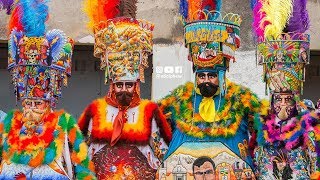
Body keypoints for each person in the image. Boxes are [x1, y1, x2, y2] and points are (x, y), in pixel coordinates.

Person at [157, 1, 267, 179]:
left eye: (211, 75)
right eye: (201, 76)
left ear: (221, 75)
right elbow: (156, 126)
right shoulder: (179, 99)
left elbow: (263, 131)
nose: (206, 80)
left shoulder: (241, 99)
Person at [0, 1, 96, 179]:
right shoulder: (9, 124)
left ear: (49, 101)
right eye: (28, 103)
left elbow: (82, 162)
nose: (32, 108)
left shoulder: (64, 122)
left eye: (38, 103)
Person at [78, 0, 172, 179]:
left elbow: (164, 152)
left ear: (136, 84)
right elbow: (80, 150)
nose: (123, 90)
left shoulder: (149, 111)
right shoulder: (95, 111)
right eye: (119, 85)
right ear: (111, 84)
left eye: (128, 85)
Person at [251, 0, 320, 179]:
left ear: (295, 99)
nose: (282, 105)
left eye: (287, 99)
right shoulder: (262, 127)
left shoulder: (308, 125)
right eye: (279, 99)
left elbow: (313, 165)